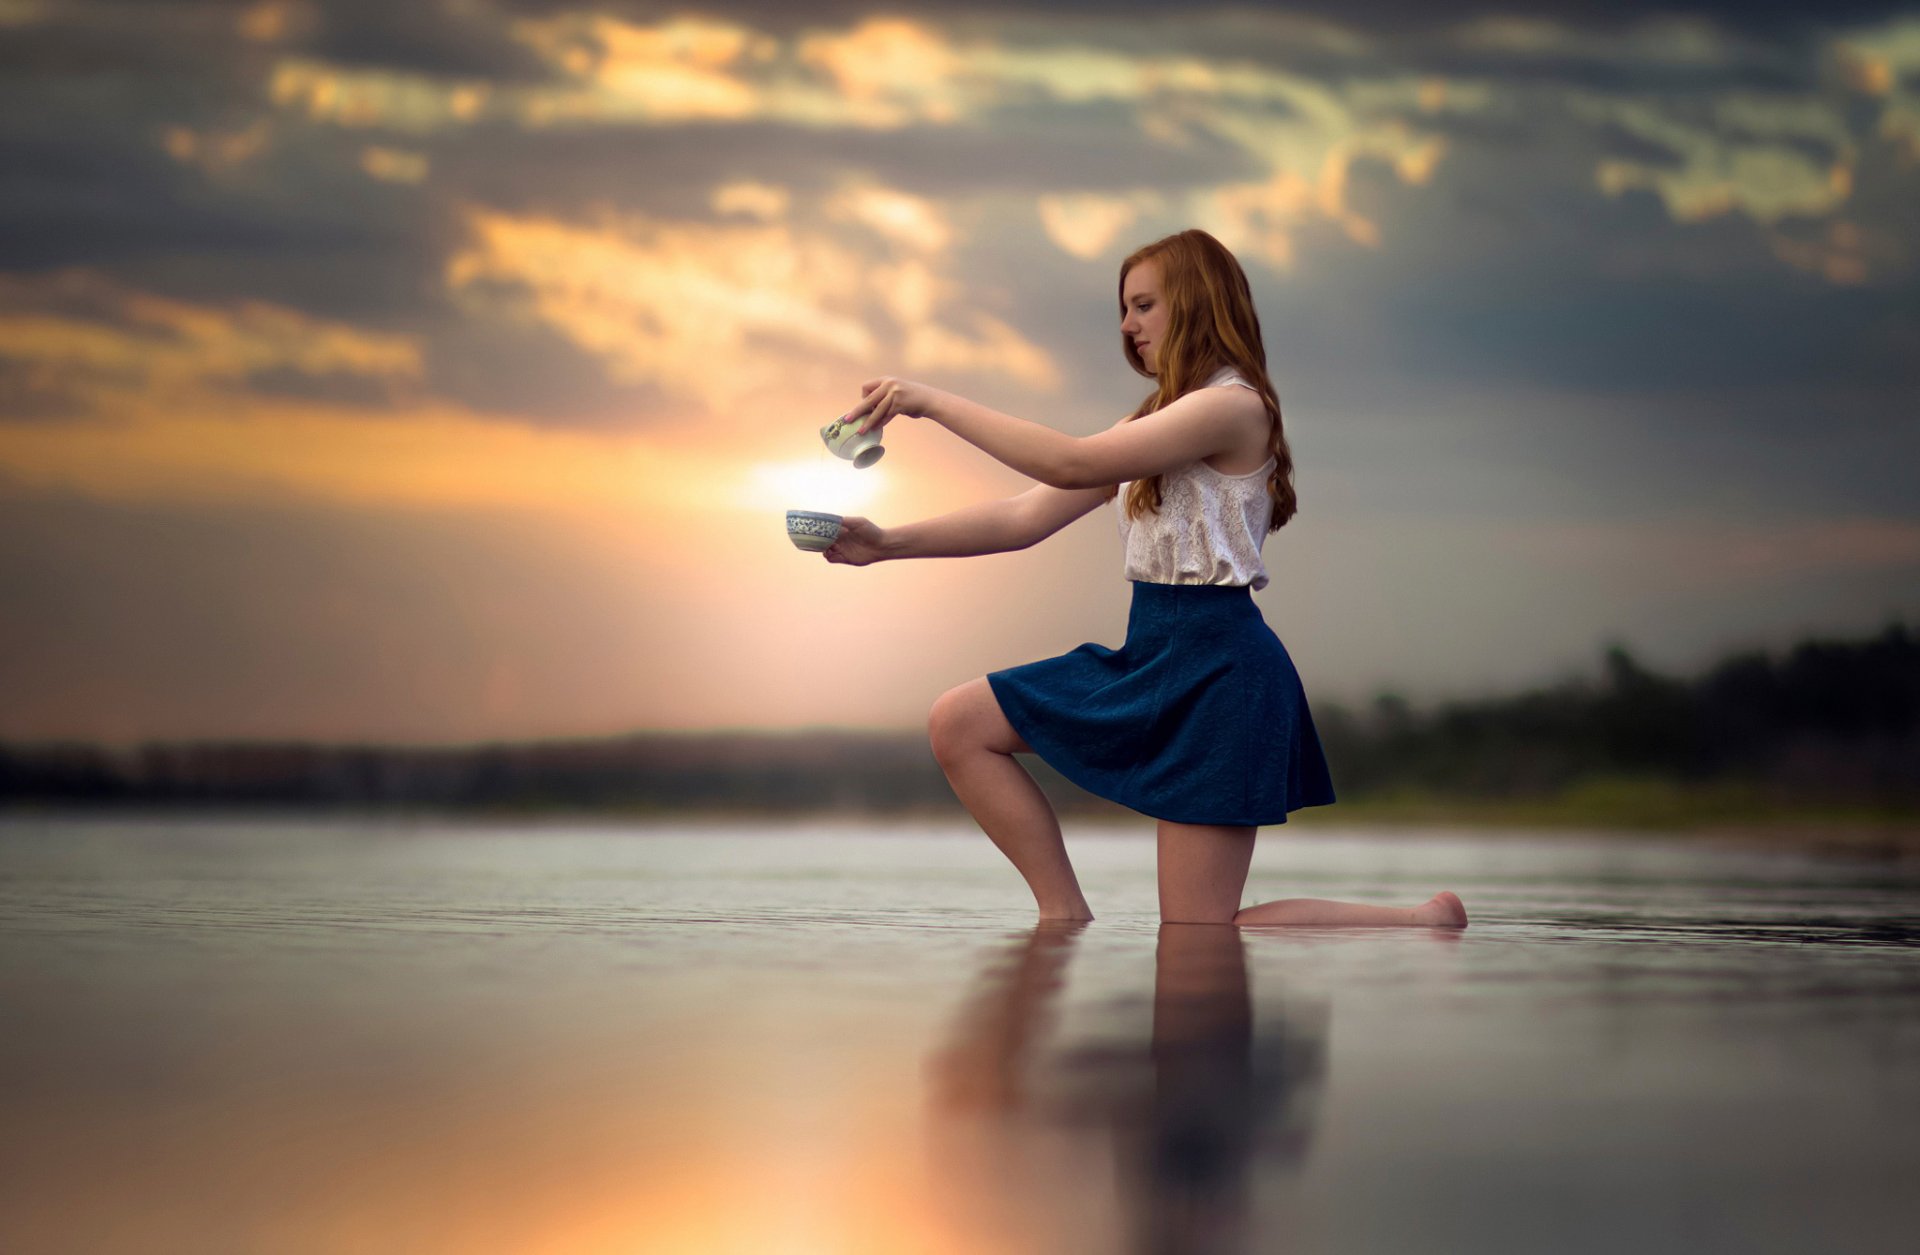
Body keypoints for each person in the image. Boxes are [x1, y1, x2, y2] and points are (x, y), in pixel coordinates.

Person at [822, 228, 1467, 930]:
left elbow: (1068, 463)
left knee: (1199, 930)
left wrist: (933, 402)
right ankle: (1062, 916)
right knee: (960, 723)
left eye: (1143, 305)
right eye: (1123, 309)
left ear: (1194, 301)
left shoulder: (1233, 406)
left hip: (1222, 672)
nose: (1127, 326)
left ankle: (1419, 921)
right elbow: (1025, 516)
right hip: (1149, 654)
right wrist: (888, 544)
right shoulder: (1156, 417)